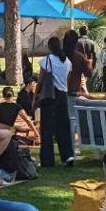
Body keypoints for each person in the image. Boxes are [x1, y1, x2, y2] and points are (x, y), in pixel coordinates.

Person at [38, 36, 77, 167]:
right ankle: (68, 155)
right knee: (63, 126)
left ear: (49, 47)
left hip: (50, 96)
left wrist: (36, 96)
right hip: (63, 95)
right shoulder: (67, 62)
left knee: (47, 129)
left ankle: (47, 160)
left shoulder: (46, 60)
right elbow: (68, 79)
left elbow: (40, 80)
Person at [63, 29, 93, 98]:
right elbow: (89, 74)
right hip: (74, 92)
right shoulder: (79, 57)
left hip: (59, 92)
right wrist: (90, 63)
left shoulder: (57, 56)